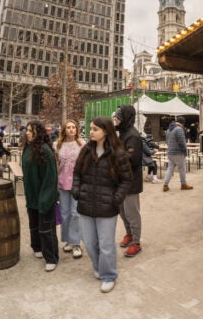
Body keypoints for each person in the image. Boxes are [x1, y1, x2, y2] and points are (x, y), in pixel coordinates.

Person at [72, 117, 132, 293]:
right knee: (90, 243)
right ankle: (98, 266)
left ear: (105, 131)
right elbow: (77, 173)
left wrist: (116, 198)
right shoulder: (86, 150)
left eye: (95, 129)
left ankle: (108, 275)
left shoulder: (117, 153)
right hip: (85, 205)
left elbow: (126, 179)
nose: (91, 132)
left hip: (107, 207)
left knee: (106, 244)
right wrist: (77, 191)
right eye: (90, 128)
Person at [22, 120, 59, 272]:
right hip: (32, 196)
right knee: (34, 225)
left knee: (46, 229)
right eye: (27, 130)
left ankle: (51, 257)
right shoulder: (27, 148)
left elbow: (50, 178)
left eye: (30, 130)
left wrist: (45, 200)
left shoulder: (45, 151)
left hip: (44, 198)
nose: (27, 133)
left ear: (39, 133)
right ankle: (36, 247)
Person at [114, 105, 144, 257]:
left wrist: (114, 156)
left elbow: (131, 158)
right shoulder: (122, 133)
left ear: (126, 118)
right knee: (122, 211)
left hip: (131, 181)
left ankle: (136, 242)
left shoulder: (133, 136)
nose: (116, 120)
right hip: (120, 180)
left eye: (118, 117)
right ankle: (129, 234)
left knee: (132, 212)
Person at [56, 119, 84, 259]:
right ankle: (68, 240)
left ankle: (76, 243)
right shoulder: (58, 145)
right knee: (65, 213)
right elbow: (56, 165)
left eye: (74, 127)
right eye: (68, 127)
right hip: (62, 183)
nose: (71, 129)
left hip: (76, 184)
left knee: (75, 213)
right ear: (64, 130)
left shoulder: (82, 144)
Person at [163, 116, 193, 192]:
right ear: (182, 123)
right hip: (178, 153)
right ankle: (183, 184)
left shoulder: (168, 129)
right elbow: (182, 142)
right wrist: (185, 152)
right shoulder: (179, 129)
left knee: (170, 169)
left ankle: (165, 185)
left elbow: (166, 142)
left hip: (170, 152)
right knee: (182, 169)